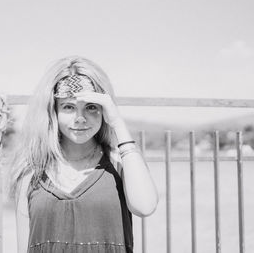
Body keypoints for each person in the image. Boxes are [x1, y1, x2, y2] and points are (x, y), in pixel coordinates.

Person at [10, 56, 159, 253]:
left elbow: (145, 206)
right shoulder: (32, 171)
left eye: (91, 107)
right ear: (53, 112)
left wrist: (117, 122)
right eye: (69, 107)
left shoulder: (119, 162)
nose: (80, 119)